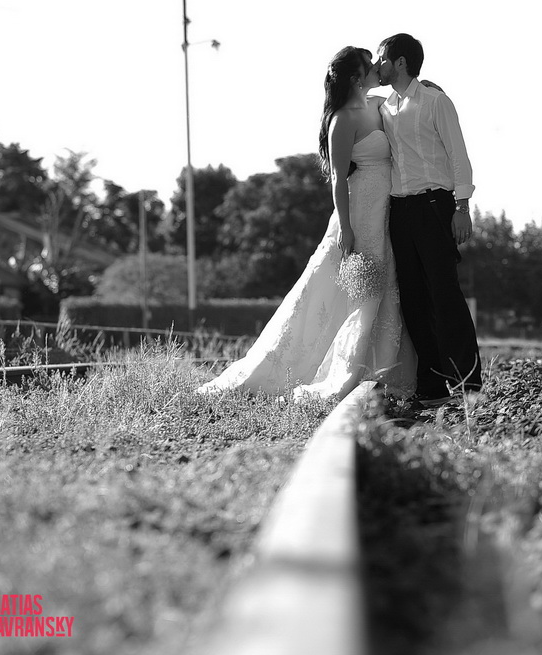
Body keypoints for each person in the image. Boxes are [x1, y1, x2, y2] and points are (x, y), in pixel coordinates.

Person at [197, 46, 416, 402]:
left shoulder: (378, 104)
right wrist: (346, 228)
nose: (378, 67)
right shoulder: (343, 119)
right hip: (359, 212)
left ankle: (381, 369)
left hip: (385, 209)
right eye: (369, 64)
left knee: (382, 285)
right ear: (356, 77)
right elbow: (337, 180)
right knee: (348, 290)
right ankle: (331, 369)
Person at [376, 33, 482, 406]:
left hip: (436, 206)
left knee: (445, 295)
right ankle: (434, 387)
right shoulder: (384, 107)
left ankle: (469, 385)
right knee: (414, 300)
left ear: (400, 62)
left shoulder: (436, 101)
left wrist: (462, 207)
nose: (378, 63)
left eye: (382, 57)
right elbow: (361, 89)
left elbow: (458, 155)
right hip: (400, 212)